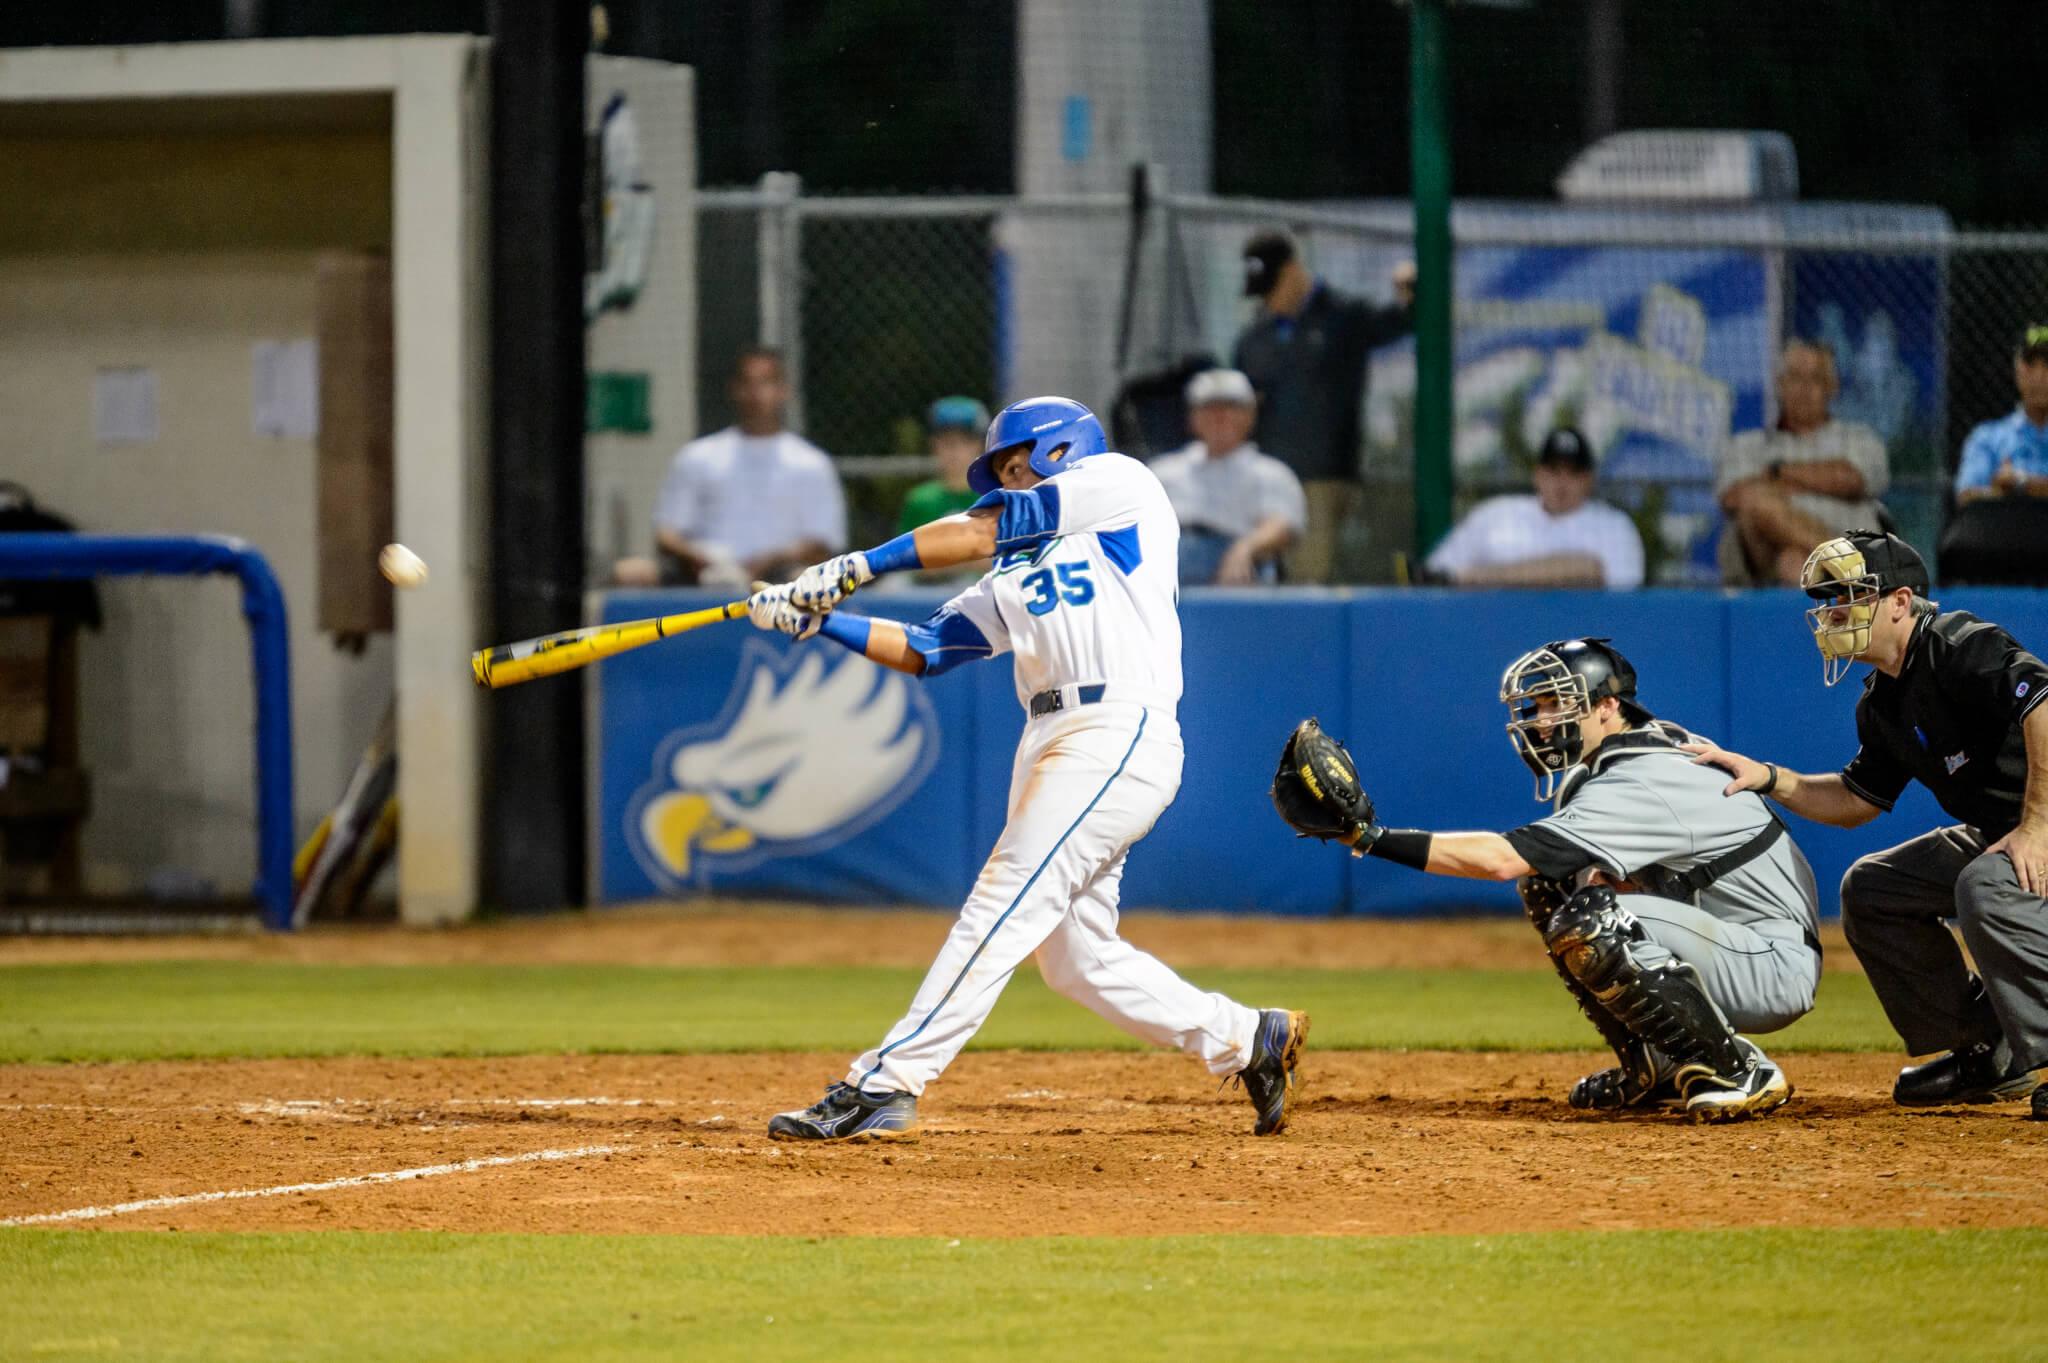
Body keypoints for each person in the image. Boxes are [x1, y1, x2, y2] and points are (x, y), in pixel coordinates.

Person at [744, 395, 1310, 1141]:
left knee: (1003, 895)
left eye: (1019, 464)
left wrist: (854, 566)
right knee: (1076, 959)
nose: (1011, 481)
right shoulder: (1018, 567)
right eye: (1003, 471)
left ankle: (885, 1082)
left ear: (1061, 449)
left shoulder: (1120, 484)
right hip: (1049, 737)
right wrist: (820, 621)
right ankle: (1247, 1038)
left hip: (1117, 728)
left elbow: (985, 528)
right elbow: (928, 647)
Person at [1271, 637, 1818, 1122]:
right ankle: (1654, 1063)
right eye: (1536, 706)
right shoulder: (1613, 763)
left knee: (1590, 920)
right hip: (1722, 933)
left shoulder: (1644, 778)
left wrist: (1369, 837)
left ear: (1607, 707)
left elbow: (1499, 860)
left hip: (1770, 963)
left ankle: (1739, 1069)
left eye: (1557, 703)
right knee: (1550, 888)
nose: (1540, 719)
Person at [1684, 530, 2048, 1118]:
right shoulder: (1882, 700)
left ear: (1900, 602)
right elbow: (1858, 799)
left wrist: (2038, 824)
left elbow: (2044, 698)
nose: (1831, 613)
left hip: (2040, 823)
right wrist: (1771, 777)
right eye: (1826, 602)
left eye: (1847, 597)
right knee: (1872, 888)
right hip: (2004, 830)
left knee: (1984, 883)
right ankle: (1988, 1050)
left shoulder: (1957, 643)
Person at [1232, 229, 1415, 584]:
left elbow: (1405, 320)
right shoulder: (1255, 336)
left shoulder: (1343, 316)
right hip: (1263, 477)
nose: (1267, 300)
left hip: (1320, 478)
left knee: (1306, 582)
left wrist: (1413, 288)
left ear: (1292, 271)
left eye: (1272, 287)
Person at [612, 347, 846, 587]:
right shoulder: (697, 456)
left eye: (765, 383)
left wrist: (769, 561)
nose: (756, 393)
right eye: (747, 383)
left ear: (783, 391)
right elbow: (666, 535)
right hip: (702, 574)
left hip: (781, 578)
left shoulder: (812, 463)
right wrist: (700, 559)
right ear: (734, 389)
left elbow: (823, 544)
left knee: (812, 581)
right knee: (629, 573)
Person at [1717, 341, 1890, 586]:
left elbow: (1851, 479)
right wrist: (1817, 480)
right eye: (1795, 378)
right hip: (1763, 562)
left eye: (1815, 380)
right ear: (1780, 384)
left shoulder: (1859, 439)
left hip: (1844, 543)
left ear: (1832, 387)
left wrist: (1779, 474)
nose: (1804, 390)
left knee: (1794, 564)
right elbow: (1734, 497)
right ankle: (1852, 571)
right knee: (1757, 502)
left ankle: (1842, 566)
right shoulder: (1748, 445)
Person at [1422, 428, 1645, 588]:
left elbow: (1611, 580)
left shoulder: (1615, 526)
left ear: (1588, 480)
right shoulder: (1497, 514)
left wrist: (1486, 576)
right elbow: (1438, 573)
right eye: (1554, 471)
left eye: (1573, 473)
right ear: (1538, 475)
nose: (1562, 482)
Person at [1147, 368, 1306, 585]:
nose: (1220, 417)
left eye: (1232, 408)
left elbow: (1282, 526)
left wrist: (1245, 548)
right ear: (1193, 418)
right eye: (1209, 409)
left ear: (1250, 415)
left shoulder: (1271, 472)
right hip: (1167, 563)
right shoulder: (1163, 471)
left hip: (1235, 563)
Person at [895, 395, 991, 584]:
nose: (955, 451)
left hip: (981, 591)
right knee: (893, 585)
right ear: (934, 445)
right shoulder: (921, 499)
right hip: (926, 590)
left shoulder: (995, 496)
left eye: (965, 442)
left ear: (980, 445)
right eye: (946, 442)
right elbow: (902, 559)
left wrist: (943, 561)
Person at [1953, 324, 2048, 505]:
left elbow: (2011, 485)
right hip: (2007, 530)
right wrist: (1997, 492)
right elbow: (1966, 497)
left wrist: (2019, 483)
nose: (2039, 376)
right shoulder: (1987, 438)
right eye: (2030, 364)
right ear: (2017, 371)